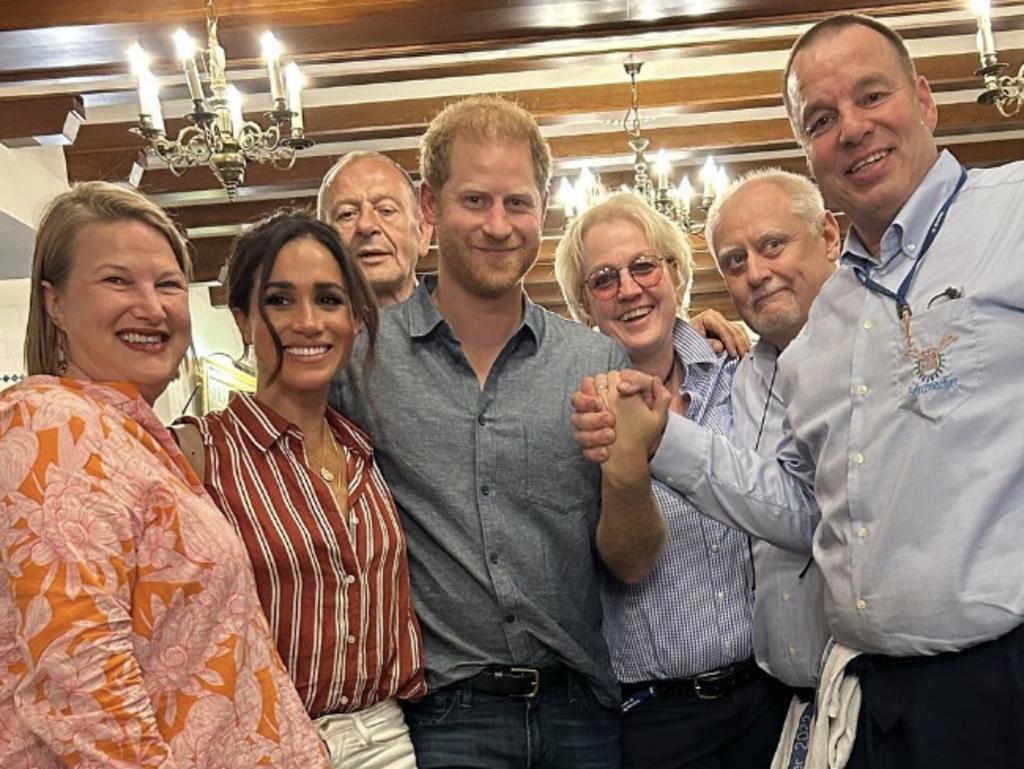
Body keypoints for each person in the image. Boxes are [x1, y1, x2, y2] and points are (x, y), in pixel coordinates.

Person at [575, 13, 1024, 769]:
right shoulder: (825, 328)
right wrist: (665, 436)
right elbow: (801, 506)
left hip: (1000, 678)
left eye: (870, 96)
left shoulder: (1010, 212)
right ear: (807, 149)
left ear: (924, 98)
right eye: (820, 119)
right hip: (867, 697)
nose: (850, 128)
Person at [330, 94, 668, 769]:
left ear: (542, 208)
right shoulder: (363, 359)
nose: (498, 224)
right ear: (431, 205)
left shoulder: (594, 360)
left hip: (582, 712)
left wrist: (627, 469)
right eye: (475, 200)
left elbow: (632, 562)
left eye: (517, 202)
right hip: (445, 716)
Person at [0, 182, 327, 768]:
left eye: (168, 284)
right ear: (54, 303)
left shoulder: (130, 434)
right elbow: (83, 684)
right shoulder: (52, 422)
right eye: (116, 281)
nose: (150, 307)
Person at [174, 211, 426, 769]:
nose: (309, 321)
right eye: (281, 300)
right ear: (242, 318)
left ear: (356, 320)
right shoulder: (199, 455)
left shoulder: (368, 455)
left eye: (330, 300)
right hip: (263, 743)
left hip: (386, 736)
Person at [553, 191, 790, 769]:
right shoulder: (577, 409)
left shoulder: (748, 372)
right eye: (604, 279)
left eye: (643, 266)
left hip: (771, 698)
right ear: (584, 306)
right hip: (657, 722)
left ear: (676, 273)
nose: (629, 289)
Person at [703, 168, 839, 756]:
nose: (756, 272)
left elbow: (810, 512)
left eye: (772, 245)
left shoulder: (883, 343)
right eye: (734, 261)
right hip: (782, 706)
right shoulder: (740, 373)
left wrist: (665, 445)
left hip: (889, 693)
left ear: (830, 236)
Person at [318, 151, 432, 306]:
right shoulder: (305, 328)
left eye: (386, 210)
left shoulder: (465, 324)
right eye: (347, 214)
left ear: (422, 232)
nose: (366, 226)